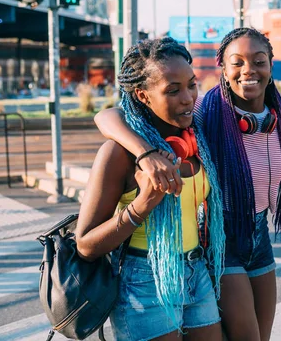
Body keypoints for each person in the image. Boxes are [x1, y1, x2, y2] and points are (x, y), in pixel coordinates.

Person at [95, 28, 281, 341]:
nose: (248, 70)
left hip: (259, 238)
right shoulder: (205, 115)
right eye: (236, 62)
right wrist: (144, 152)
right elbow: (110, 115)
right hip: (220, 241)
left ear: (271, 65)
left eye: (258, 61)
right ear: (222, 69)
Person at [76, 38, 226, 341]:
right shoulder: (119, 154)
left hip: (196, 272)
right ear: (143, 96)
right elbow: (86, 245)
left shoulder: (197, 139)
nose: (188, 98)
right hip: (144, 281)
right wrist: (142, 203)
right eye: (172, 90)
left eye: (191, 85)